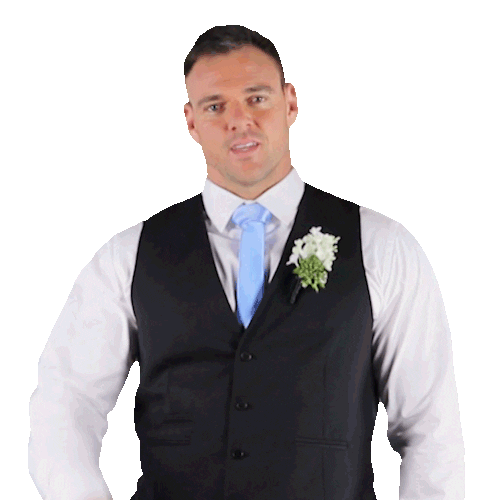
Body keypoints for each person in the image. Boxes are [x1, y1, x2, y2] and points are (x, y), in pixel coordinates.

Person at [28, 25, 465, 500]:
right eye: (215, 106)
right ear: (191, 121)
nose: (239, 120)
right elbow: (65, 402)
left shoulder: (381, 245)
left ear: (289, 102)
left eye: (256, 98)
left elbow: (430, 427)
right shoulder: (128, 255)